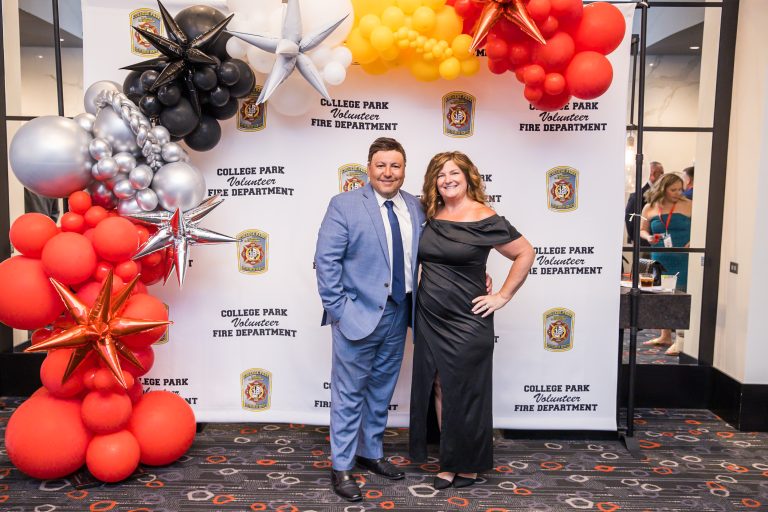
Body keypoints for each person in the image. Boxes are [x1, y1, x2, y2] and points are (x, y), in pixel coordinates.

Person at [409, 151, 534, 489]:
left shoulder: (484, 216)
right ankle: (449, 461)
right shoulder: (428, 213)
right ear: (433, 181)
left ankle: (469, 463)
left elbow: (525, 252)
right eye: (440, 174)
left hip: (468, 318)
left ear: (468, 178)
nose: (447, 179)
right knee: (439, 385)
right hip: (430, 315)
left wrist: (502, 295)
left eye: (454, 173)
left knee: (467, 389)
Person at [314, 137, 425, 502]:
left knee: (381, 390)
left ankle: (370, 452)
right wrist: (340, 310)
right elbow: (326, 262)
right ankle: (342, 466)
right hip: (357, 314)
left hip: (400, 311)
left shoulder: (416, 206)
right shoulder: (344, 205)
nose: (388, 172)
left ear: (404, 170)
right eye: (381, 165)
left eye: (395, 165)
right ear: (369, 168)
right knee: (349, 394)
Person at [639, 173, 692, 355]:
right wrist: (648, 238)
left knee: (681, 295)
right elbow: (642, 229)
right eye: (673, 190)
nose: (678, 193)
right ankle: (665, 335)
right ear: (663, 189)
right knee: (662, 295)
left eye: (680, 189)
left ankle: (681, 340)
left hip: (684, 256)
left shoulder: (690, 205)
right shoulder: (649, 207)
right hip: (660, 255)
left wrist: (694, 240)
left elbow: (703, 226)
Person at [625, 161, 664, 244]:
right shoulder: (640, 191)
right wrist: (637, 239)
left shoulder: (654, 190)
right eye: (661, 173)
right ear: (653, 173)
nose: (663, 176)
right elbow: (630, 215)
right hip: (642, 241)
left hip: (651, 239)